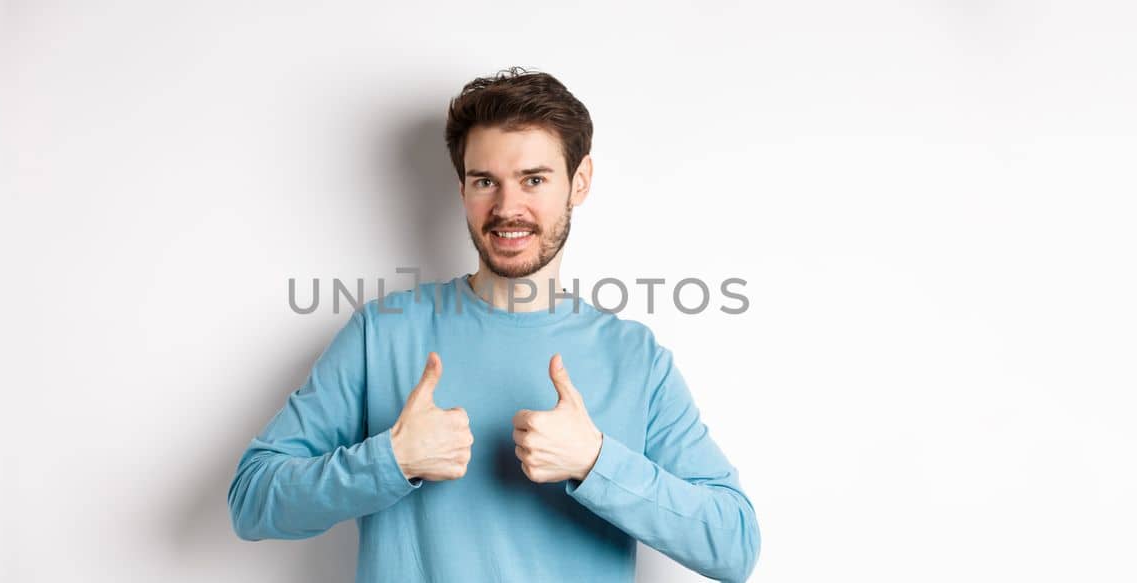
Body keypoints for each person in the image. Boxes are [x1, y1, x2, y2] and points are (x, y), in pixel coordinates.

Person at [228, 66, 761, 582]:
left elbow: (734, 546)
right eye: (486, 180)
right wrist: (388, 460)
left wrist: (596, 463)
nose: (508, 207)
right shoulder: (382, 334)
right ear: (461, 188)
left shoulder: (636, 358)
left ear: (579, 182)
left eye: (534, 179)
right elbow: (252, 500)